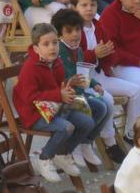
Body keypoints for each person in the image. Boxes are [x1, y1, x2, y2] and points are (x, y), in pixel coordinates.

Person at [14, 23, 99, 183]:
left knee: (88, 122)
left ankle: (62, 153)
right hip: (34, 114)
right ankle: (44, 158)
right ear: (36, 48)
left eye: (54, 43)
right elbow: (29, 97)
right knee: (67, 128)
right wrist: (59, 94)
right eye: (46, 44)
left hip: (55, 108)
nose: (52, 47)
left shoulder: (56, 62)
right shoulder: (31, 68)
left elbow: (58, 86)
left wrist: (68, 88)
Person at [70, 0, 140, 151]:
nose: (89, 9)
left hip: (98, 75)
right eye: (84, 5)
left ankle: (131, 134)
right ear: (74, 8)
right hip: (79, 80)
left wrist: (108, 54)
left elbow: (109, 55)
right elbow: (72, 58)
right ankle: (109, 142)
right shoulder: (72, 29)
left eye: (92, 5)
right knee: (107, 98)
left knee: (136, 91)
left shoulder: (97, 25)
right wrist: (94, 54)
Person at [51, 8, 116, 166]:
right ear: (59, 34)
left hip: (79, 94)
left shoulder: (78, 50)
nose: (75, 34)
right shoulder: (58, 52)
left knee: (104, 107)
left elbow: (82, 72)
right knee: (97, 108)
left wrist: (95, 84)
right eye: (69, 31)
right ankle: (71, 148)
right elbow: (59, 78)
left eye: (77, 30)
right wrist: (71, 82)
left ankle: (86, 143)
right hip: (65, 98)